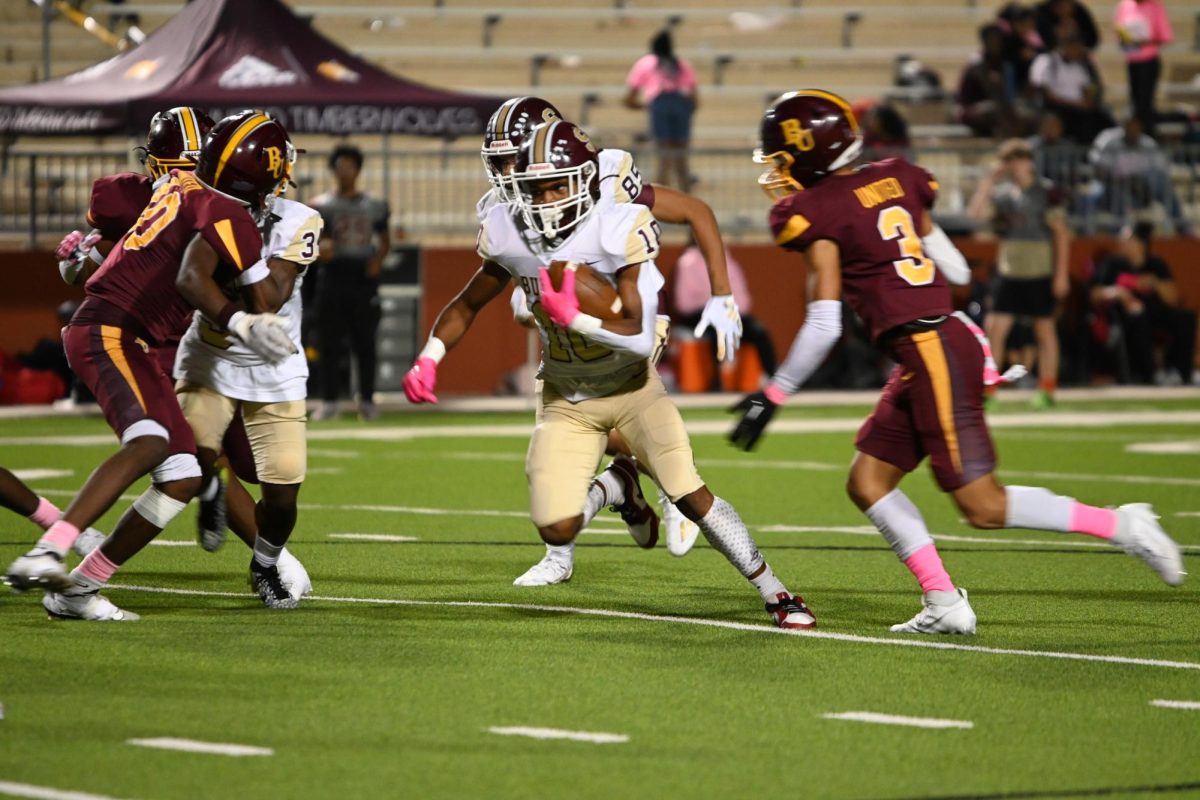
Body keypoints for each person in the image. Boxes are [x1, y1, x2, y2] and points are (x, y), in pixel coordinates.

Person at [729, 90, 1183, 634]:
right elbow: (958, 269)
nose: (776, 172)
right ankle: (943, 599)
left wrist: (772, 394)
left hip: (929, 349)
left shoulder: (817, 210)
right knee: (869, 481)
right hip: (936, 343)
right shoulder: (895, 178)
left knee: (982, 507)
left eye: (781, 158)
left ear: (809, 151)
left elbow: (825, 323)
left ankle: (1123, 525)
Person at [405, 119, 815, 629]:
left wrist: (573, 309)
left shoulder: (618, 218)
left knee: (690, 492)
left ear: (584, 176)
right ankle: (617, 490)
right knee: (556, 527)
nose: (543, 195)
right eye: (532, 183)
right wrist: (430, 356)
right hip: (564, 390)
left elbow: (640, 331)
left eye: (556, 183)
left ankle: (776, 591)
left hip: (630, 380)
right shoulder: (507, 225)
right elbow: (468, 302)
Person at [4, 111, 298, 620]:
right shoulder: (225, 212)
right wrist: (244, 321)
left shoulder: (181, 191)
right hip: (110, 331)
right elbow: (201, 282)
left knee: (181, 473)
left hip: (130, 334)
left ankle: (79, 589)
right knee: (149, 441)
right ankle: (52, 546)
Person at [478, 95, 745, 571]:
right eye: (497, 161)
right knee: (583, 429)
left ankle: (661, 489)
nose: (503, 171)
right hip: (564, 328)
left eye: (509, 156)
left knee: (608, 414)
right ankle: (622, 489)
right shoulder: (507, 207)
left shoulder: (605, 173)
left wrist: (721, 293)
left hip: (623, 313)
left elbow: (695, 211)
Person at [968, 138, 1071, 408]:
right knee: (995, 328)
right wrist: (988, 182)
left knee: (1044, 330)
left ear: (1027, 161)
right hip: (1009, 268)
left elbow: (1061, 234)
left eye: (1016, 160)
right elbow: (975, 216)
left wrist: (1061, 274)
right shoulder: (1003, 195)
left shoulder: (1045, 192)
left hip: (1039, 269)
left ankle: (1047, 388)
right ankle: (989, 388)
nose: (1012, 167)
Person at [310, 144, 390, 421]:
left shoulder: (374, 205)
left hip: (362, 277)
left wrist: (378, 259)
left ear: (358, 169)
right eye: (340, 167)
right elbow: (314, 243)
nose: (344, 172)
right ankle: (329, 400)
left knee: (365, 342)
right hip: (333, 275)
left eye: (349, 166)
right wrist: (322, 251)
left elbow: (385, 238)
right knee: (329, 343)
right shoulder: (322, 205)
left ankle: (366, 399)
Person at [1091, 222, 1196, 385]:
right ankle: (1151, 374)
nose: (1120, 243)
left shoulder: (1156, 265)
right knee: (1138, 315)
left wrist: (1155, 283)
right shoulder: (1112, 264)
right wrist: (1118, 292)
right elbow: (1094, 294)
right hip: (1124, 316)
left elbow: (1173, 298)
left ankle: (1179, 372)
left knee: (1186, 318)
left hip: (1156, 313)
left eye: (1126, 239)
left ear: (1139, 244)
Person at [671, 237, 777, 388]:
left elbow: (742, 297)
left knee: (758, 331)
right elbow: (683, 303)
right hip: (700, 315)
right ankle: (717, 381)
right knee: (716, 331)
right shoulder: (687, 263)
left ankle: (774, 378)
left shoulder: (727, 260)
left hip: (730, 313)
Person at [1089, 115, 1190, 235]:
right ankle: (1122, 232)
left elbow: (1161, 170)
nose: (1132, 130)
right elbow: (1100, 170)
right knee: (1121, 194)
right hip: (1120, 189)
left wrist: (1144, 184)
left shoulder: (1148, 144)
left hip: (1145, 190)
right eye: (1129, 127)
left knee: (1162, 183)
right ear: (1124, 128)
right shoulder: (1113, 145)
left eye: (1135, 127)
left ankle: (1181, 225)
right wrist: (1126, 180)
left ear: (1140, 128)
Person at [624, 29, 698, 190]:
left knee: (664, 158)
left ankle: (663, 204)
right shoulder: (682, 64)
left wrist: (645, 106)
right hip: (681, 106)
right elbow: (694, 99)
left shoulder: (646, 63)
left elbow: (630, 97)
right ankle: (687, 200)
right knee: (681, 160)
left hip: (659, 106)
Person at [1028, 31, 1112, 143]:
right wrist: (1077, 104)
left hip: (1078, 108)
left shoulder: (1080, 66)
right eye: (1075, 47)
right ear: (1065, 46)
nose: (1078, 51)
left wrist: (1089, 101)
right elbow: (1046, 94)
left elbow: (1087, 90)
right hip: (1055, 107)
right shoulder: (1047, 61)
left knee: (1105, 122)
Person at [957, 23, 1029, 138]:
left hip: (1000, 109)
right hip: (970, 110)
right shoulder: (976, 63)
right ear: (984, 41)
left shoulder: (1003, 64)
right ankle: (1009, 141)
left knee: (1022, 114)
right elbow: (991, 90)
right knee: (996, 109)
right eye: (992, 39)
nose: (995, 43)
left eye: (998, 39)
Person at [1114, 0, 1173, 136]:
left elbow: (1165, 36)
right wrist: (1126, 38)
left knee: (1145, 103)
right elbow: (1119, 32)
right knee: (1135, 103)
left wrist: (1144, 41)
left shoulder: (1155, 7)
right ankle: (1137, 135)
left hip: (1149, 60)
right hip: (1132, 61)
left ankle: (1149, 135)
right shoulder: (1124, 5)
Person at [1035, 0, 1099, 51]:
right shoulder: (1040, 13)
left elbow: (1092, 41)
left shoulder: (1078, 10)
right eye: (1060, 6)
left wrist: (1077, 33)